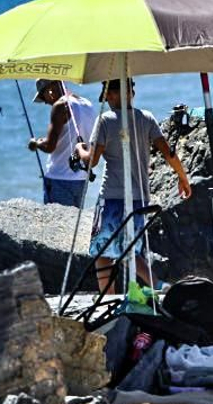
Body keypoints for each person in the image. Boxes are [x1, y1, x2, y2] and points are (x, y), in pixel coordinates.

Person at [76, 79, 193, 295]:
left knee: (103, 251)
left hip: (111, 198)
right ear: (131, 93)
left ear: (111, 95)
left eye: (107, 95)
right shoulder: (146, 118)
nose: (106, 100)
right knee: (130, 249)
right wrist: (183, 177)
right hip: (140, 198)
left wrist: (79, 149)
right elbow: (169, 153)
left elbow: (91, 160)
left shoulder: (106, 120)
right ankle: (158, 286)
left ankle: (107, 300)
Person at [28, 79, 98, 208]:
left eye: (44, 98)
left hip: (59, 177)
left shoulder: (60, 106)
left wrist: (36, 144)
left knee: (56, 225)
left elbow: (50, 146)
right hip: (81, 179)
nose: (46, 103)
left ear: (49, 92)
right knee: (73, 223)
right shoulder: (87, 103)